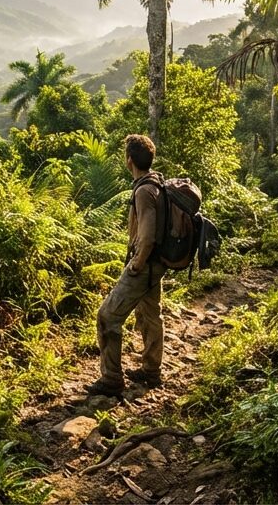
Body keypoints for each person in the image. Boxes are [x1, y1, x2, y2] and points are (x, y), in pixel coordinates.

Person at [88, 134, 166, 396]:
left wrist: (136, 263)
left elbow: (147, 235)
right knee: (150, 315)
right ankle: (151, 371)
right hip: (157, 267)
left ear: (129, 160)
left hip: (144, 267)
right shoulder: (156, 183)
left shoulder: (144, 191)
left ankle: (111, 378)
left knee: (107, 316)